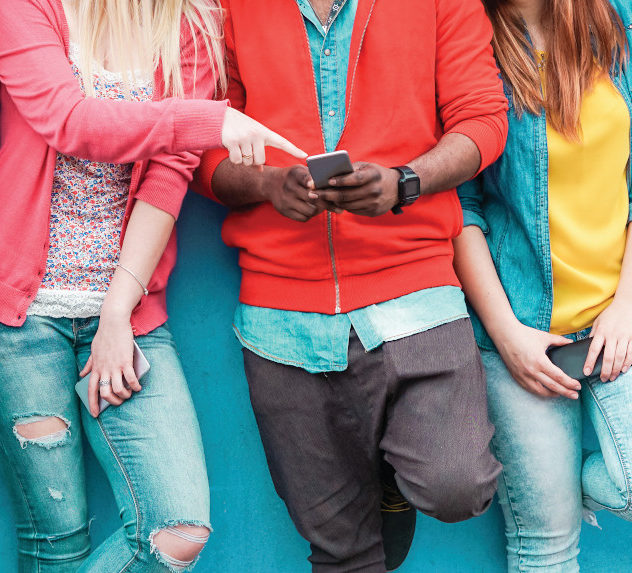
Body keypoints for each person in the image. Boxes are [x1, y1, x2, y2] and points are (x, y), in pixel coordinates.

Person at [193, 0, 508, 570]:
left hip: (418, 297)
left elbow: (483, 119)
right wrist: (265, 185)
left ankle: (388, 469)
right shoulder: (224, 8)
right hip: (280, 319)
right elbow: (198, 147)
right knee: (341, 553)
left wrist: (406, 182)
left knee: (457, 484)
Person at [0, 0, 306, 571]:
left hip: (130, 312)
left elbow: (169, 177)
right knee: (55, 542)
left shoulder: (189, 25)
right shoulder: (27, 7)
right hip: (22, 317)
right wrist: (209, 119)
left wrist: (117, 313)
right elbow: (70, 122)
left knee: (176, 533)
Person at [454, 0, 632, 570]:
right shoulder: (467, 44)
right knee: (546, 548)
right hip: (524, 335)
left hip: (617, 314)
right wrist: (507, 335)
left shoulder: (619, 23)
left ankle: (563, 491)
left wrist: (626, 307)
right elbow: (458, 207)